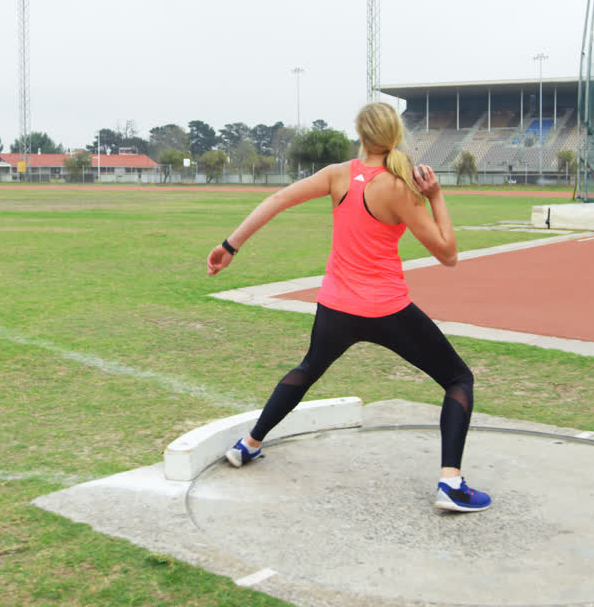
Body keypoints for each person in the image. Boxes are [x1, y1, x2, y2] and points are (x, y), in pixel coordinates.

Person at [205, 102, 490, 513]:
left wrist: (230, 245)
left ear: (360, 135)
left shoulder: (339, 174)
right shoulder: (399, 187)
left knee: (306, 371)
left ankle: (249, 444)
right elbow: (448, 254)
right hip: (387, 310)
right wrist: (437, 197)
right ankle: (451, 482)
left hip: (336, 308)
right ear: (395, 136)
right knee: (459, 379)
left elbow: (279, 198)